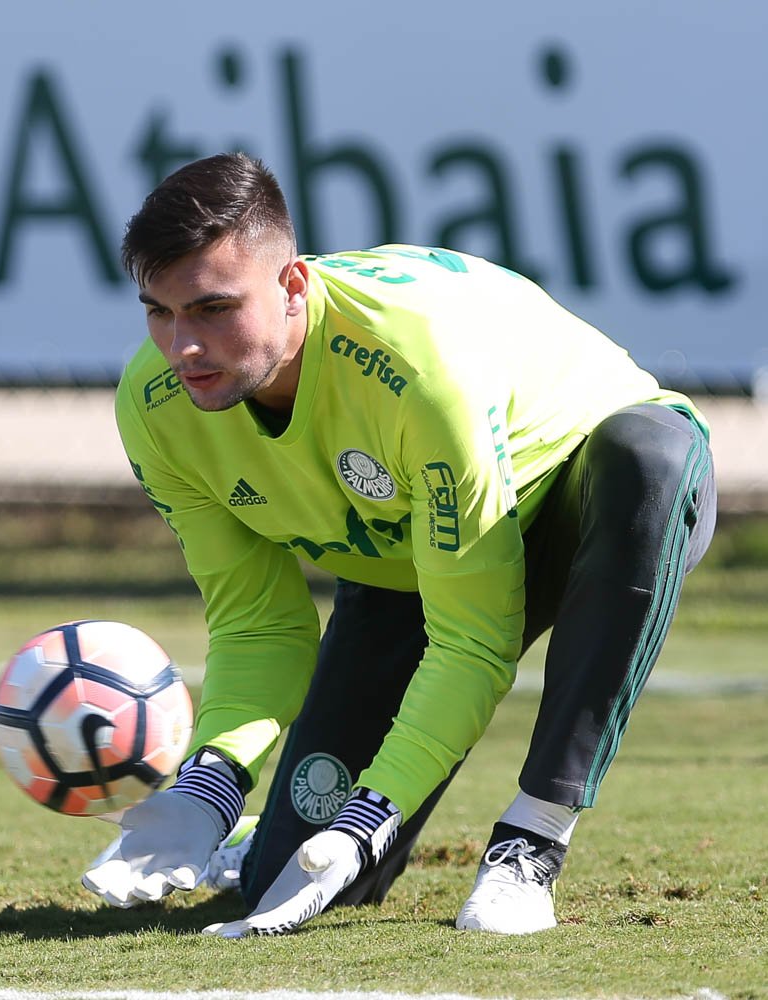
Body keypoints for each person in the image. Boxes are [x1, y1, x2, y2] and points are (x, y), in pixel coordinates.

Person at [81, 152, 716, 937]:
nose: (182, 347)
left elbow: (476, 640)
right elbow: (259, 627)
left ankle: (531, 842)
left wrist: (367, 816)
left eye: (213, 309)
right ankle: (246, 839)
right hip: (409, 556)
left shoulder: (418, 369)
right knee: (289, 876)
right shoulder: (155, 406)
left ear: (292, 287)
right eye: (159, 311)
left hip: (585, 498)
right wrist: (210, 783)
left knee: (646, 458)